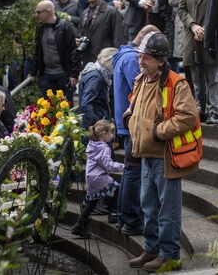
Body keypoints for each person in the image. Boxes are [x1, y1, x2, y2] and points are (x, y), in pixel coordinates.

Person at [123, 33, 200, 272]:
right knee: (149, 206)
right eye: (141, 56)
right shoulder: (140, 79)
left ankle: (170, 255)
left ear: (160, 60)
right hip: (146, 154)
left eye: (145, 57)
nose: (141, 61)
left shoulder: (177, 83)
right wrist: (129, 119)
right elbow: (133, 106)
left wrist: (156, 132)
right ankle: (151, 249)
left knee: (168, 211)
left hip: (166, 156)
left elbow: (188, 117)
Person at [112, 25, 158, 235]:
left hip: (127, 122)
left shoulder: (123, 55)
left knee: (130, 171)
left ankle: (125, 219)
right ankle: (130, 220)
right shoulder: (132, 59)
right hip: (134, 123)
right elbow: (139, 91)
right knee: (133, 173)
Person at [178, 0, 218, 124]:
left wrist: (207, 29)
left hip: (211, 38)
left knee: (213, 77)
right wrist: (193, 25)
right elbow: (182, 10)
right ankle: (200, 110)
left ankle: (213, 111)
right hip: (192, 37)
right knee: (196, 78)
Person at [70, 120, 124, 239]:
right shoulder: (104, 148)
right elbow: (108, 165)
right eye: (111, 133)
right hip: (99, 177)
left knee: (92, 202)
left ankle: (79, 225)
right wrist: (123, 167)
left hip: (91, 178)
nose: (113, 136)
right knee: (118, 190)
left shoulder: (92, 145)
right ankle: (115, 214)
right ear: (104, 134)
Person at [29, 0, 81, 103]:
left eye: (39, 12)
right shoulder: (40, 27)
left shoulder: (66, 26)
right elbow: (38, 51)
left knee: (65, 109)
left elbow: (75, 51)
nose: (36, 15)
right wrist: (33, 72)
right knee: (48, 109)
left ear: (48, 11)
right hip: (46, 75)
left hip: (63, 74)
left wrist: (74, 74)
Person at [77, 0, 126, 66]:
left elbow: (119, 39)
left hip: (106, 61)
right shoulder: (84, 13)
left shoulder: (111, 12)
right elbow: (81, 35)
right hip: (87, 61)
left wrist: (118, 62)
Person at [78, 47, 118, 131]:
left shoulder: (92, 70)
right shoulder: (96, 77)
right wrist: (97, 123)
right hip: (95, 126)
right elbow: (86, 104)